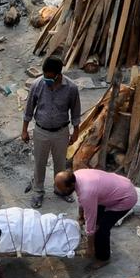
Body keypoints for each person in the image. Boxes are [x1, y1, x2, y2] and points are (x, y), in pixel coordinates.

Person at [21, 56, 81, 208]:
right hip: (41, 131)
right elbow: (28, 109)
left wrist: (75, 132)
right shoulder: (37, 84)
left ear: (58, 74)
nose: (46, 79)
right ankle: (38, 191)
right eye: (44, 75)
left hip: (61, 132)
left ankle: (60, 189)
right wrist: (24, 130)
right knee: (39, 163)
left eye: (49, 76)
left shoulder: (71, 88)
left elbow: (75, 112)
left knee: (60, 163)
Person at [54, 169, 138, 263]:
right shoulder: (76, 175)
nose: (60, 191)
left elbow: (90, 224)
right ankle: (97, 244)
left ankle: (103, 258)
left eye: (63, 189)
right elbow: (81, 199)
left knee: (101, 230)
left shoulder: (87, 193)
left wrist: (90, 248)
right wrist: (81, 217)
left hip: (126, 198)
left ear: (72, 185)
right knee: (97, 220)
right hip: (117, 186)